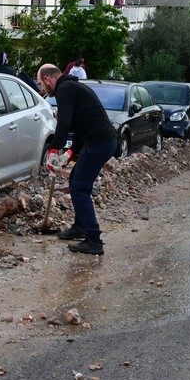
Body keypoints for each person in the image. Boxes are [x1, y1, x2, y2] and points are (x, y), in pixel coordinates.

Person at [38, 63, 116, 256]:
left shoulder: (64, 90)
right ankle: (80, 227)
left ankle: (93, 240)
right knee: (76, 182)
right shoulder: (73, 87)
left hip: (99, 143)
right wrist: (69, 154)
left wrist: (55, 150)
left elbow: (63, 123)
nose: (42, 88)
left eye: (41, 84)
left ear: (48, 79)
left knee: (79, 187)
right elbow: (81, 128)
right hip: (101, 141)